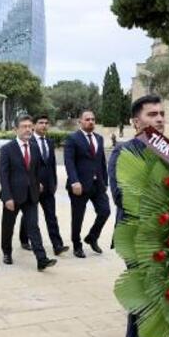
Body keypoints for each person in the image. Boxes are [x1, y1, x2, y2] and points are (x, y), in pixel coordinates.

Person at [109, 95, 165, 337]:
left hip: (162, 235)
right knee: (146, 293)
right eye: (152, 114)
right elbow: (121, 196)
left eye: (162, 114)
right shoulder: (123, 153)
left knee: (146, 291)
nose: (159, 119)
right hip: (134, 236)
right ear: (136, 122)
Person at [0, 115, 58, 271]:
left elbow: (35, 169)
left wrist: (37, 182)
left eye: (30, 126)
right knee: (8, 226)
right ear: (16, 129)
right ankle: (6, 252)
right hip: (12, 195)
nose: (28, 129)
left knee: (33, 226)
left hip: (31, 194)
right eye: (24, 126)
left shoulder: (34, 148)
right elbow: (3, 176)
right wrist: (7, 197)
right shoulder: (6, 149)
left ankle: (41, 259)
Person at [19, 114, 69, 256]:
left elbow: (51, 164)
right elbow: (25, 166)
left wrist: (54, 182)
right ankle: (24, 239)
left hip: (48, 187)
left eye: (46, 123)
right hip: (33, 187)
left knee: (51, 216)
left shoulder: (50, 142)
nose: (44, 125)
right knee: (29, 216)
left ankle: (57, 245)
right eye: (41, 122)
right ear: (34, 125)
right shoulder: (28, 141)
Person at [63, 110, 110, 258]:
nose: (91, 121)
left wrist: (105, 181)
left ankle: (92, 237)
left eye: (93, 119)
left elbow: (102, 161)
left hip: (98, 185)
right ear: (80, 122)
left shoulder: (99, 138)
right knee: (78, 217)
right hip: (80, 186)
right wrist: (74, 181)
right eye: (87, 119)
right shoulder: (72, 138)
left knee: (105, 211)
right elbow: (69, 162)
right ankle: (77, 245)